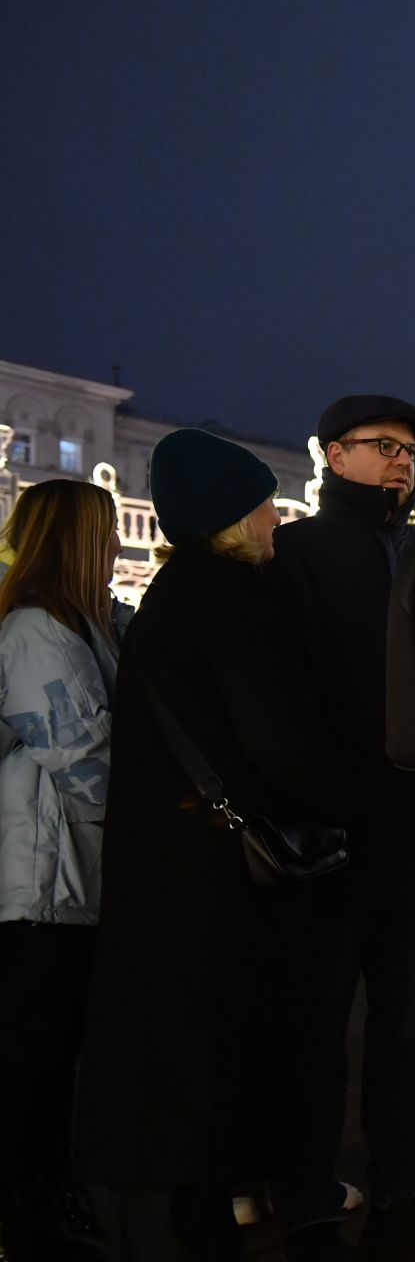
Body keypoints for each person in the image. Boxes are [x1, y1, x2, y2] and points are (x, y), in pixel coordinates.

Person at [74, 430, 345, 1260]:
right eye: (263, 502)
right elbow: (279, 740)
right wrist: (349, 802)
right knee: (214, 1053)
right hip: (218, 875)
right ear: (228, 516)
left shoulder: (172, 597)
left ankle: (171, 1217)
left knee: (172, 1052)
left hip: (169, 864)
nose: (276, 516)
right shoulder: (233, 600)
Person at [263, 395, 415, 1260]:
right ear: (331, 455)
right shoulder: (296, 552)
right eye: (383, 447)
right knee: (316, 1034)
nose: (402, 462)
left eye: (412, 452)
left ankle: (405, 1186)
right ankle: (307, 1198)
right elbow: (287, 694)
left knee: (409, 1035)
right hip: (333, 836)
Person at [0, 480, 124, 1260]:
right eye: (104, 532)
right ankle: (28, 1215)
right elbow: (85, 756)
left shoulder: (84, 627)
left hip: (70, 877)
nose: (114, 546)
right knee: (32, 1061)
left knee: (48, 1058)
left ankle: (42, 1202)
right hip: (42, 883)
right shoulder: (38, 631)